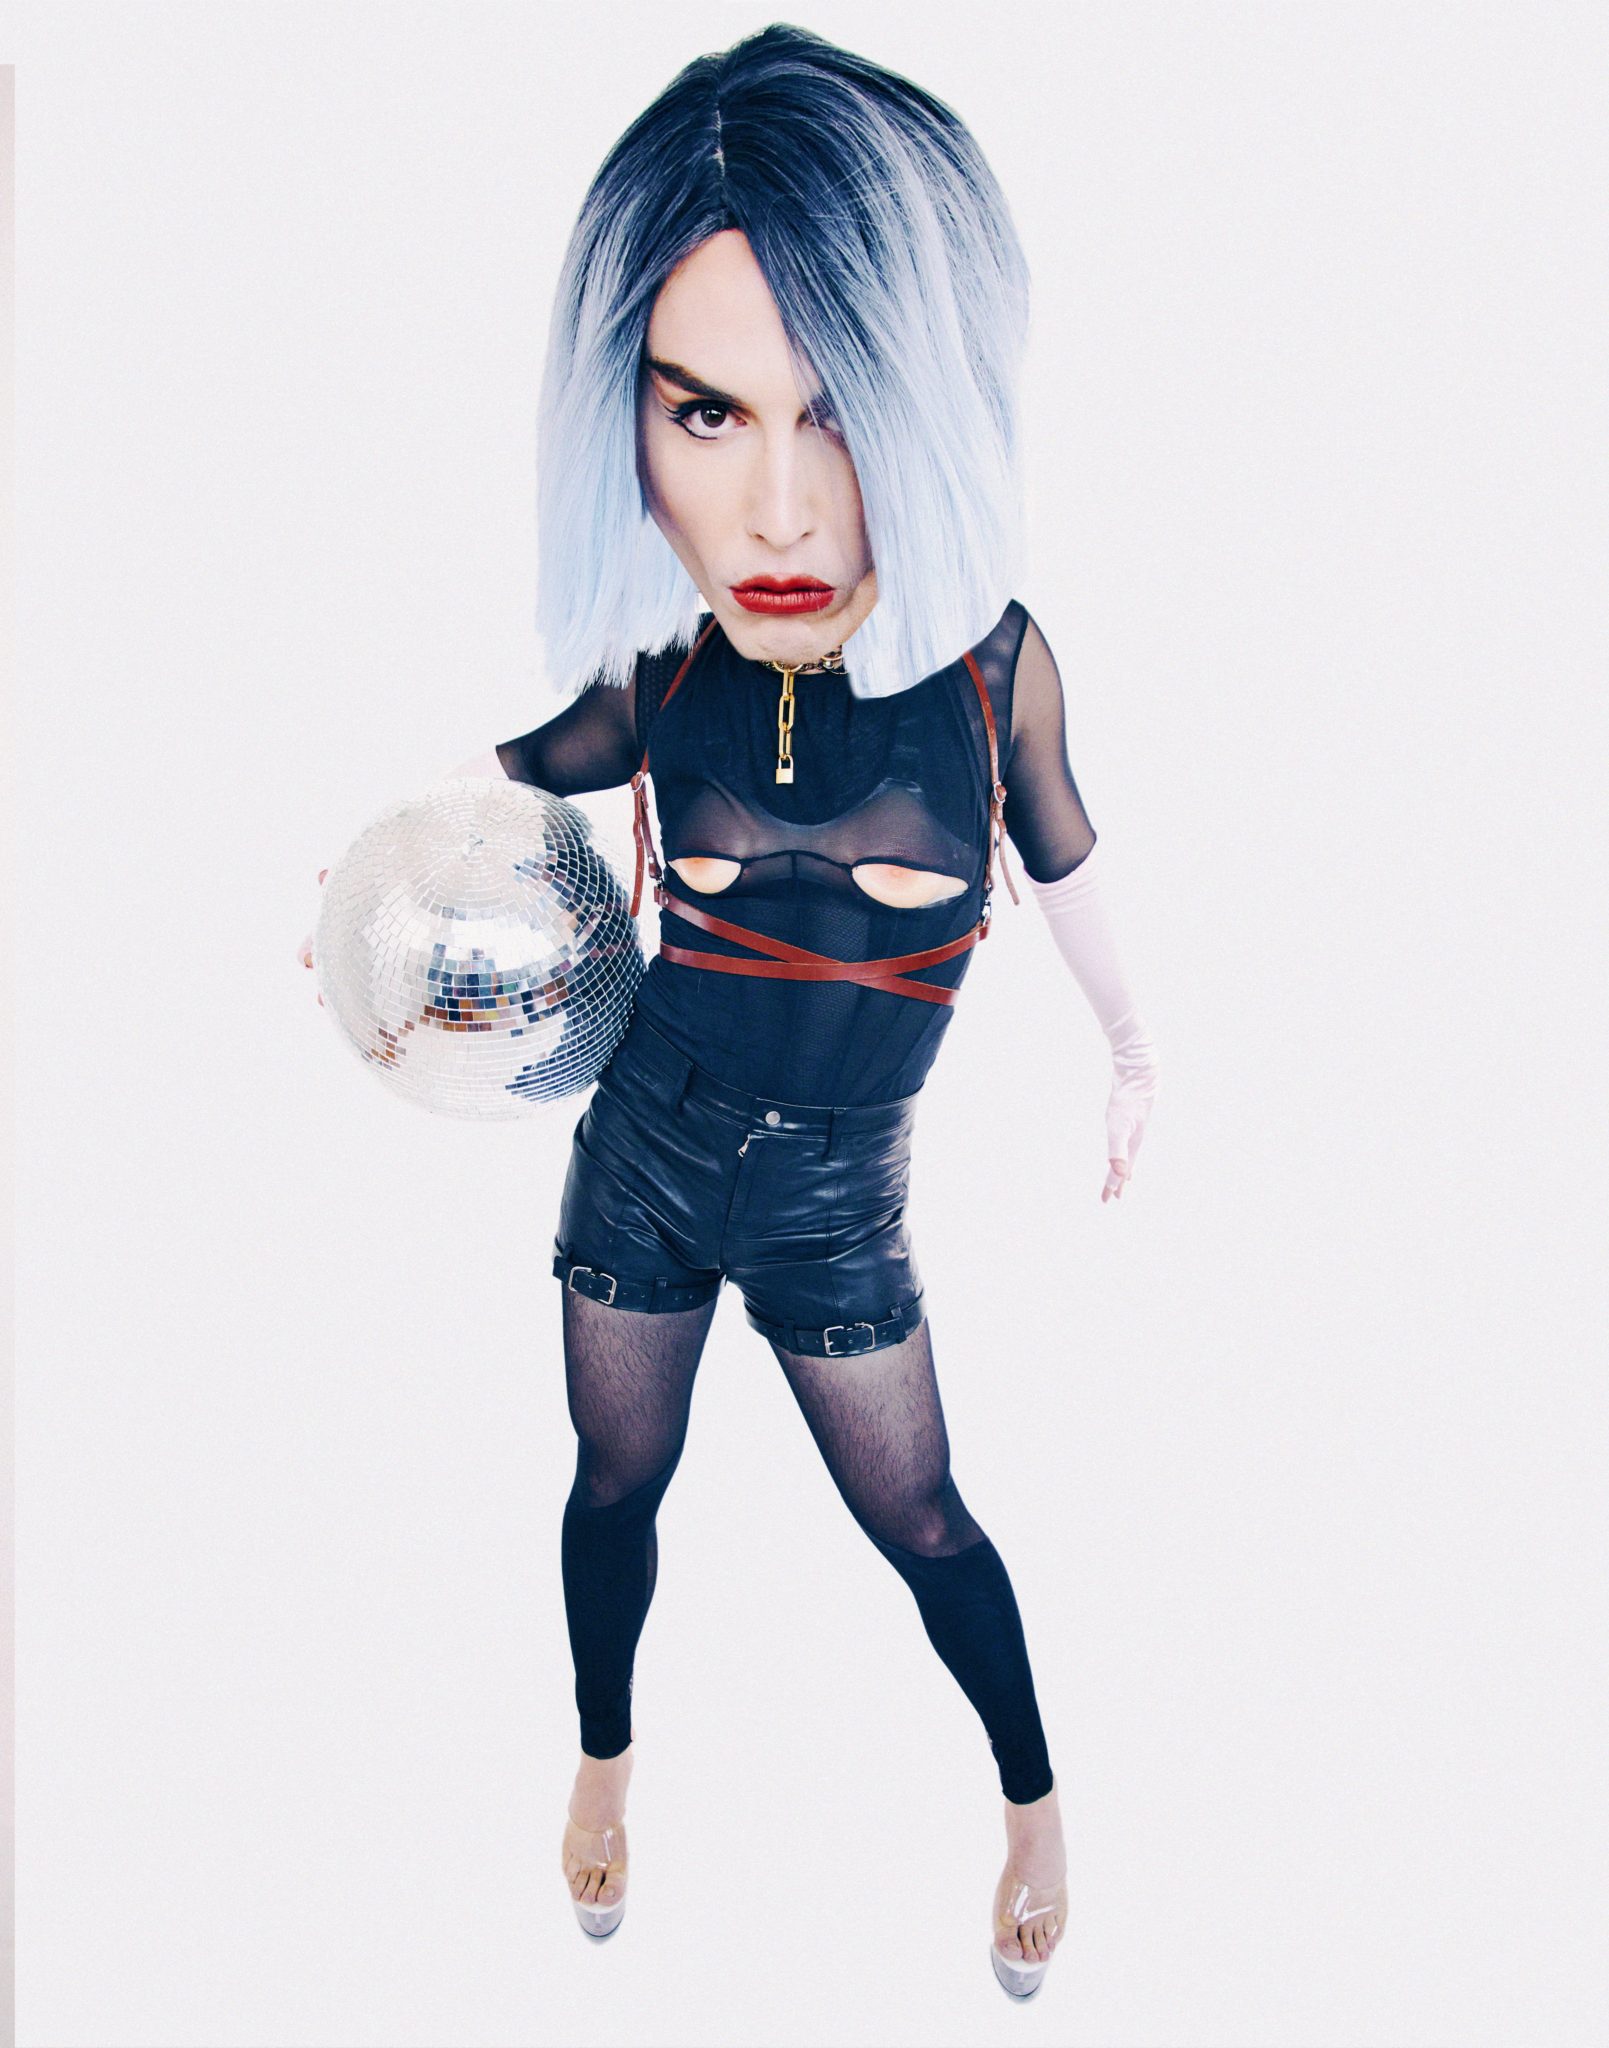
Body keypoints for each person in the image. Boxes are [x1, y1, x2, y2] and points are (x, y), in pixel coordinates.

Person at [299, 23, 1160, 2000]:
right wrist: (364, 911)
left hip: (839, 1200)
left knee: (925, 1522)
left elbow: (1067, 861)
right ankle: (602, 1760)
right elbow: (501, 785)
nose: (774, 507)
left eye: (837, 410)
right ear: (626, 424)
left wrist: (1133, 1052)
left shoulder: (990, 673)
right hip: (645, 1144)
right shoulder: (663, 669)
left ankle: (1033, 1803)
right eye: (703, 413)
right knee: (615, 1485)